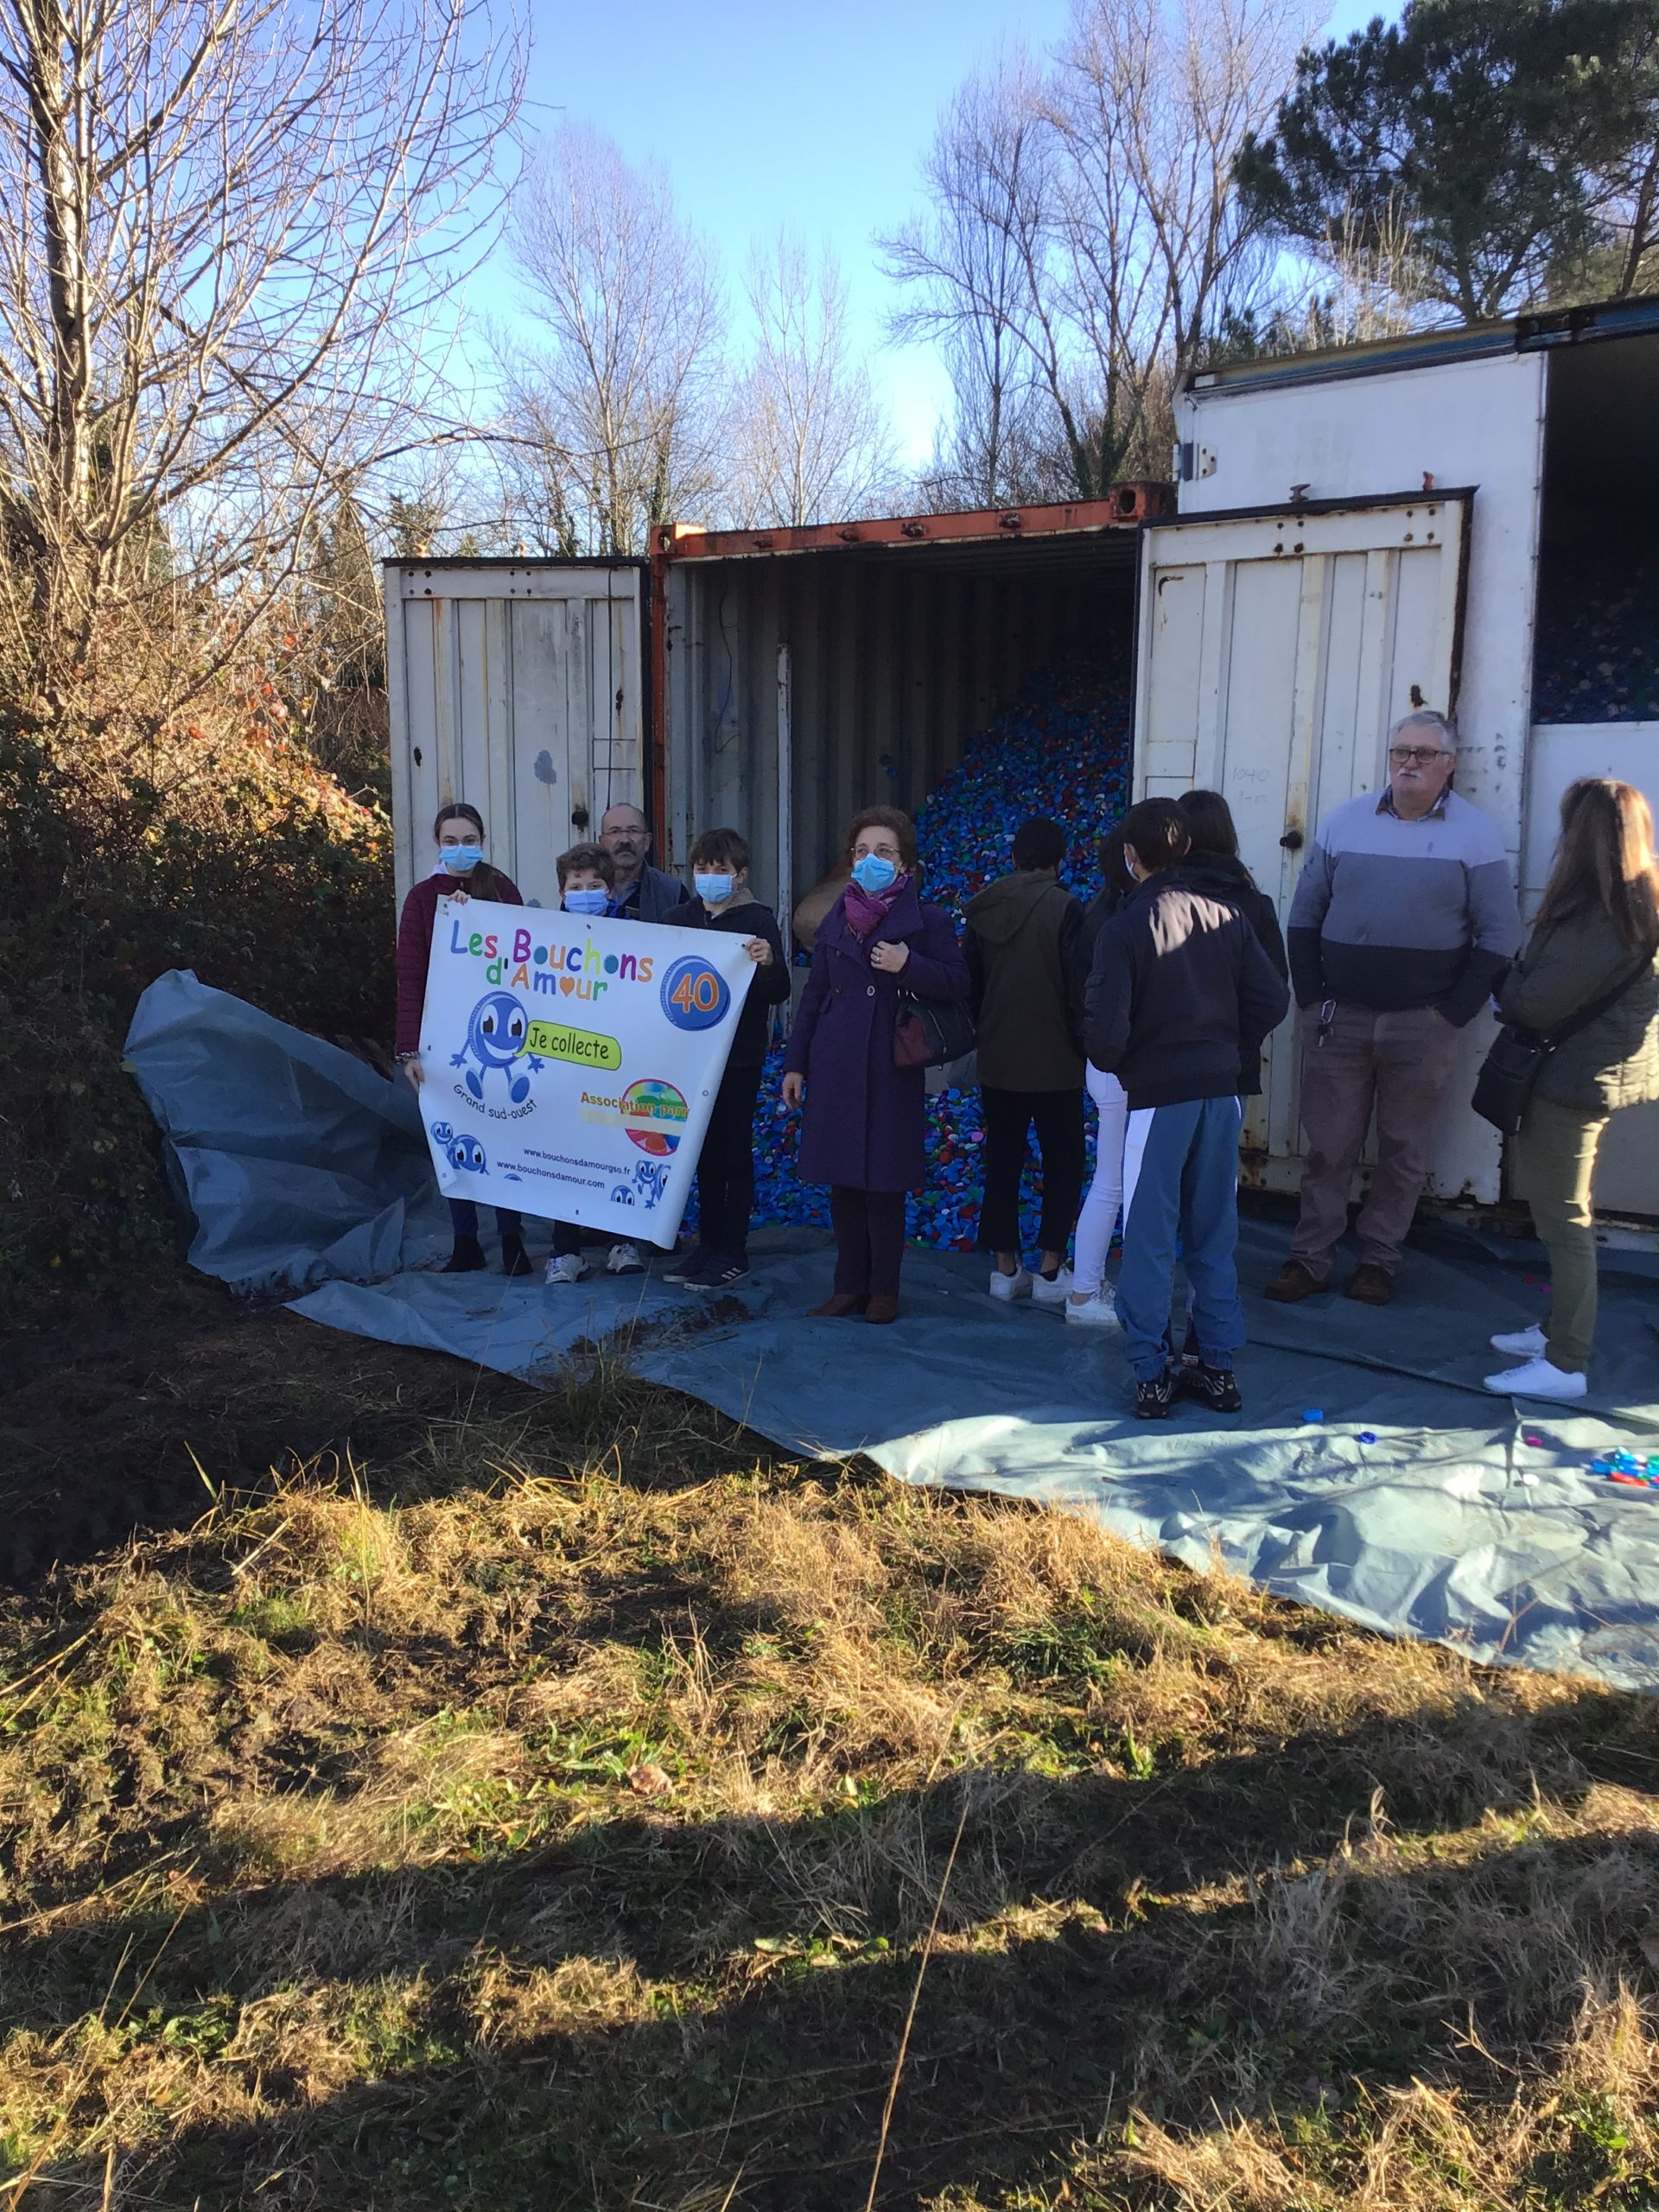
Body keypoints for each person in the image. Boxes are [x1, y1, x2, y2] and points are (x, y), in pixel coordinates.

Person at [1266, 710, 1522, 1308]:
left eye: (1425, 754)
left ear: (1450, 765)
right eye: (1401, 751)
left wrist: (1450, 1015)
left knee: (1404, 1152)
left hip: (1423, 1025)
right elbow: (1303, 920)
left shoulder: (1474, 836)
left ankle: (1378, 1262)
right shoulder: (1343, 823)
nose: (1409, 762)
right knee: (1328, 1148)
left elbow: (1499, 936)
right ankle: (1309, 1260)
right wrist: (1311, 999)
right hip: (1339, 1018)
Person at [1086, 798, 1290, 1419]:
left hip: (1159, 1097)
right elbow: (1273, 1001)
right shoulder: (1228, 917)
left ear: (1129, 856)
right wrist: (1228, 1049)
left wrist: (1132, 1061)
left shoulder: (1123, 927)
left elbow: (1103, 1033)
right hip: (1220, 1093)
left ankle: (1152, 1371)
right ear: (1186, 849)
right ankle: (1218, 1365)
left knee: (1149, 1237)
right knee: (1214, 1231)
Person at [1483, 779, 1659, 1401]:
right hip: (1592, 1073)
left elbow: (1536, 1000)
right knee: (1559, 1207)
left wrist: (1509, 980)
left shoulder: (1601, 916)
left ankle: (1566, 1362)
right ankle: (1557, 1329)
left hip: (1572, 1081)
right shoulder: (1639, 903)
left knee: (1564, 1218)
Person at [781, 807, 969, 1323]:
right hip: (838, 1065)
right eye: (862, 852)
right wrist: (796, 1064)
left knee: (884, 1185)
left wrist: (910, 964)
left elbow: (959, 983)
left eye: (883, 852)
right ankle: (848, 1286)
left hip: (890, 1067)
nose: (871, 861)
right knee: (844, 1183)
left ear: (905, 865)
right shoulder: (836, 918)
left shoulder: (927, 920)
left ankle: (884, 1289)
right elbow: (814, 996)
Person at [396, 804, 533, 1277]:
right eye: (450, 840)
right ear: (438, 843)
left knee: (504, 1132)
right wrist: (408, 1048)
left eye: (468, 839)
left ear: (483, 838)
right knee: (452, 1134)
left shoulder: (501, 889)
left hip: (496, 1032)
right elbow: (410, 975)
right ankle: (465, 1240)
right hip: (442, 1035)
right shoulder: (420, 900)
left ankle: (512, 1238)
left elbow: (525, 957)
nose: (460, 848)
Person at [965, 816, 1089, 1304]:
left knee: (1002, 1161)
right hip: (1057, 1063)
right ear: (1059, 861)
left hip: (997, 1060)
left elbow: (969, 989)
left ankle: (1004, 1269)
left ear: (1013, 858)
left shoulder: (983, 910)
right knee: (1064, 1162)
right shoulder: (1066, 908)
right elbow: (1080, 992)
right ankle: (1052, 1270)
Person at [664, 827, 791, 1290]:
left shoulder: (757, 920)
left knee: (733, 1149)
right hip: (688, 1056)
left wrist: (768, 962)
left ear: (740, 875)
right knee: (700, 1150)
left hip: (738, 1057)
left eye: (721, 871)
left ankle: (734, 1249)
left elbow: (779, 991)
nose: (711, 878)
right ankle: (707, 1243)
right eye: (703, 870)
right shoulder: (680, 916)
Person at [543, 842, 646, 1286]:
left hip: (618, 1063)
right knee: (563, 1152)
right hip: (563, 1063)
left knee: (617, 1148)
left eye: (595, 885)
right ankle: (565, 1250)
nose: (585, 892)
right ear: (562, 892)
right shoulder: (543, 936)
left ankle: (621, 1241)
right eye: (576, 885)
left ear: (611, 889)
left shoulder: (637, 933)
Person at [1176, 789, 1290, 1097]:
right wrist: (1239, 1040)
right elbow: (1274, 993)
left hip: (1163, 1068)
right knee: (1220, 1146)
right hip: (1230, 1066)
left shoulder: (1153, 902)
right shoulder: (1254, 905)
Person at [1067, 828, 1135, 1330]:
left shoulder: (1094, 913)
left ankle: (1087, 1287)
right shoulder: (1126, 921)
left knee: (1109, 1181)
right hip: (1124, 1066)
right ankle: (1087, 1292)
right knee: (1117, 1184)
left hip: (1100, 1064)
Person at [598, 801, 690, 922]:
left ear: (647, 841)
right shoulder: (582, 891)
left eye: (633, 831)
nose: (624, 840)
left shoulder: (672, 893)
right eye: (615, 831)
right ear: (602, 842)